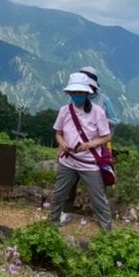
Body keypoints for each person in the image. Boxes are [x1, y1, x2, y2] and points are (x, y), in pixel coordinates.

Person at [47, 72, 113, 232]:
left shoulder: (97, 112)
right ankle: (51, 225)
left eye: (80, 93)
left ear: (87, 93)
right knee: (59, 194)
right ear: (69, 93)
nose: (76, 96)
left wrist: (89, 144)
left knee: (98, 198)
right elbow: (58, 132)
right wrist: (63, 144)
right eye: (74, 93)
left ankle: (107, 231)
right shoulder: (64, 111)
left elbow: (106, 136)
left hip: (89, 163)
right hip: (68, 160)